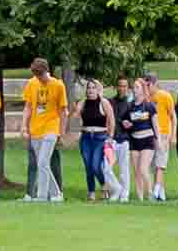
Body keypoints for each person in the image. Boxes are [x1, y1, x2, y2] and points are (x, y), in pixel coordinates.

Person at [22, 60, 67, 202]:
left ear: (47, 70)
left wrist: (61, 132)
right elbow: (28, 107)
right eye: (36, 75)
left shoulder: (58, 85)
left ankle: (42, 196)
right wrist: (24, 126)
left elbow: (63, 111)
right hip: (35, 129)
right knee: (44, 164)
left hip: (51, 128)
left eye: (40, 74)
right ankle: (57, 194)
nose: (39, 78)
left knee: (42, 162)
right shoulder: (31, 83)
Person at [119, 78, 159, 203]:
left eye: (137, 87)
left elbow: (155, 124)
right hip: (134, 140)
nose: (134, 90)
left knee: (143, 168)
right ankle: (140, 198)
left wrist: (159, 141)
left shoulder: (149, 105)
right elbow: (123, 120)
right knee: (136, 171)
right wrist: (125, 123)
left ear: (143, 89)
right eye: (134, 87)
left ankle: (150, 193)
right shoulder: (130, 106)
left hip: (147, 139)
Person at [77, 80, 113, 201]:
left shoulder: (104, 103)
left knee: (95, 165)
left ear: (98, 90)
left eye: (93, 88)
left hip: (100, 138)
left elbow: (111, 120)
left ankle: (104, 185)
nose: (91, 90)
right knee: (88, 166)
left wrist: (110, 137)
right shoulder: (83, 103)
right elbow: (74, 116)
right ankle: (91, 192)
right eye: (89, 88)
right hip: (86, 137)